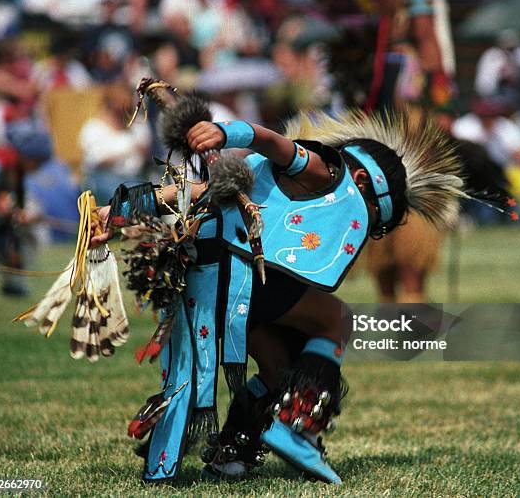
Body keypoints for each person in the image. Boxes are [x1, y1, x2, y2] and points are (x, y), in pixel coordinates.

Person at [90, 82, 466, 485]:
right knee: (335, 320)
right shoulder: (326, 171)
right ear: (360, 175)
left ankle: (230, 454)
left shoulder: (260, 182)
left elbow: (189, 194)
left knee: (279, 366)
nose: (365, 221)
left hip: (220, 284)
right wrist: (227, 133)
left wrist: (115, 213)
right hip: (245, 279)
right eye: (372, 209)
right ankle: (296, 425)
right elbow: (272, 141)